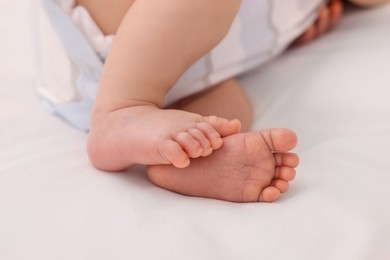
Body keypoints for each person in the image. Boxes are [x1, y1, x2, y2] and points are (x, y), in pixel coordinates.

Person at [63, 0, 387, 202]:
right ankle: (120, 109)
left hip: (186, 72)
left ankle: (183, 158)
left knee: (230, 110)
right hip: (120, 20)